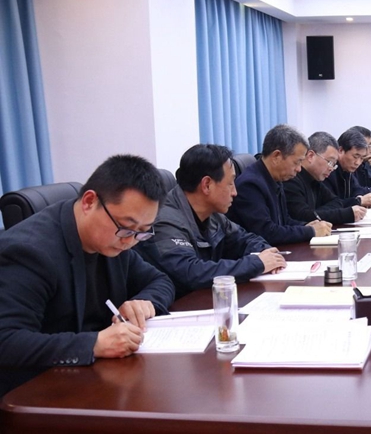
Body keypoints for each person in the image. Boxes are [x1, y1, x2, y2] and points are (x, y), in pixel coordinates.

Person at [0, 155, 175, 397]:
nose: (130, 241)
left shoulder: (116, 241)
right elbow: (7, 341)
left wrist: (145, 302)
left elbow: (160, 280)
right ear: (89, 202)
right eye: (126, 227)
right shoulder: (30, 252)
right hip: (40, 391)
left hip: (101, 378)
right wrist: (94, 344)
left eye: (142, 232)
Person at [136, 144, 286, 299]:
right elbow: (191, 273)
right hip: (178, 305)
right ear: (207, 185)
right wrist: (257, 263)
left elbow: (245, 239)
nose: (235, 192)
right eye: (230, 183)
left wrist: (267, 253)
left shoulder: (212, 213)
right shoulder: (164, 221)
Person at [227, 124, 332, 246]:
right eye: (297, 162)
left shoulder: (275, 178)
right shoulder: (250, 185)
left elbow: (284, 221)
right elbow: (267, 232)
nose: (299, 169)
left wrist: (307, 226)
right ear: (276, 156)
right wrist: (310, 231)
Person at [286, 132, 368, 226]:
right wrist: (346, 214)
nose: (331, 168)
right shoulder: (291, 179)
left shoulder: (315, 179)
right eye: (330, 162)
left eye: (334, 164)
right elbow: (302, 216)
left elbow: (336, 201)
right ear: (310, 156)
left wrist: (315, 213)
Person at [325, 129, 371, 205]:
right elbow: (331, 204)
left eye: (362, 158)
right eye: (355, 156)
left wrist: (360, 197)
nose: (358, 163)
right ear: (341, 150)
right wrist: (358, 201)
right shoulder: (328, 171)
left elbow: (357, 189)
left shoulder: (347, 170)